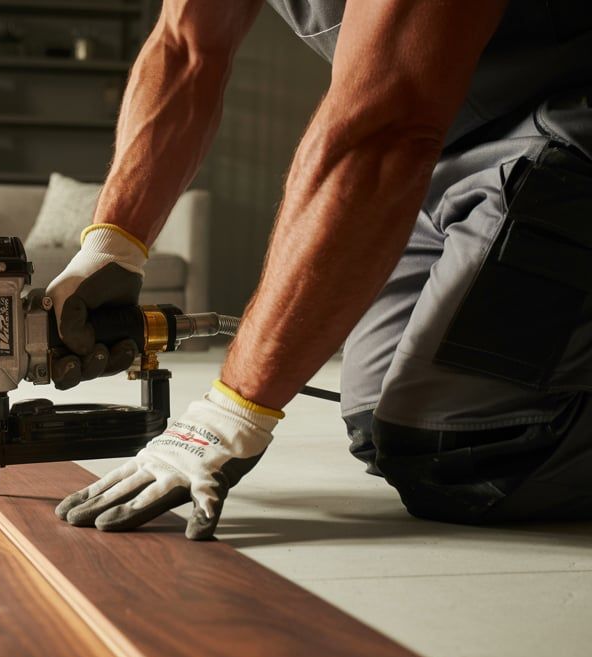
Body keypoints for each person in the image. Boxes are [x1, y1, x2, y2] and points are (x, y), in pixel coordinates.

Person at [48, 0, 592, 540]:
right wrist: (112, 247)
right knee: (378, 428)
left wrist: (229, 413)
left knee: (471, 451)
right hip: (449, 150)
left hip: (564, 123)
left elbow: (383, 129)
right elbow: (187, 48)